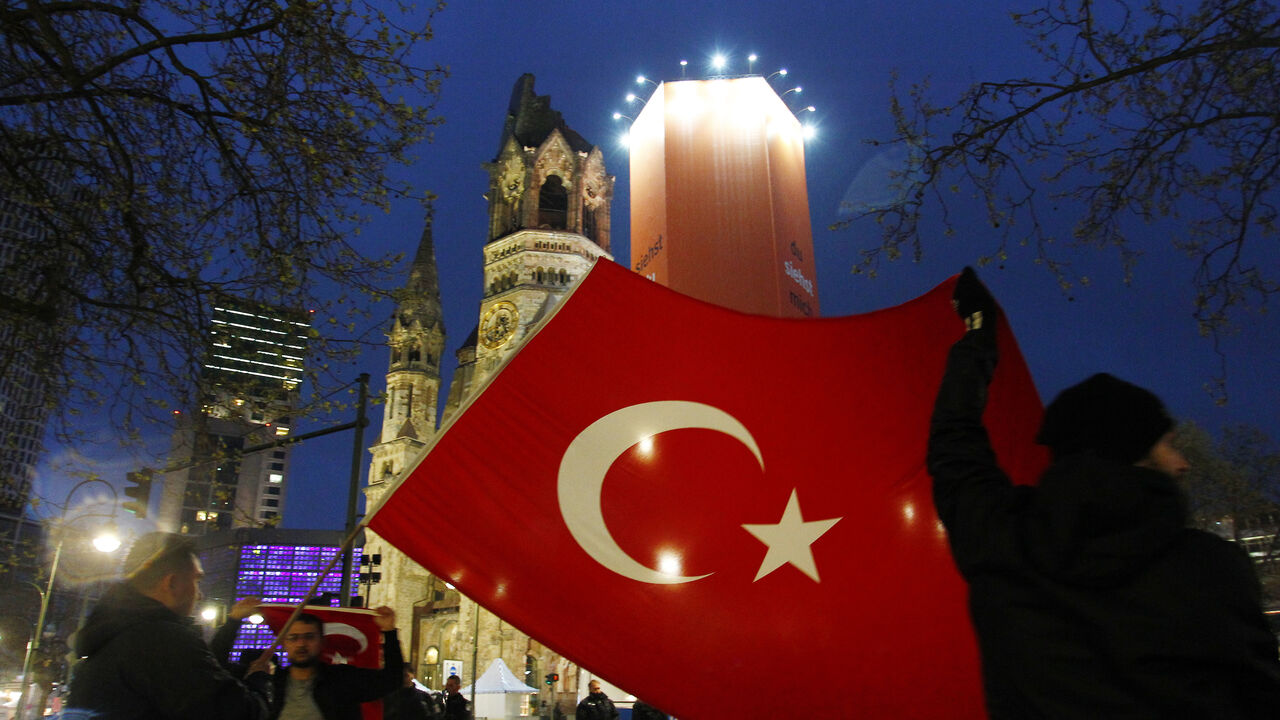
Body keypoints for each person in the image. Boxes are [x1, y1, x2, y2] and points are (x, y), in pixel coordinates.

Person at [927, 267, 1280, 717]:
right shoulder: (1211, 568)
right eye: (1169, 443)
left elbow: (955, 442)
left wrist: (978, 335)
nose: (1184, 462)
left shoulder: (1002, 541)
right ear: (1132, 449)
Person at [65, 532, 274, 719]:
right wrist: (260, 679)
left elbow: (203, 679)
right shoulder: (161, 641)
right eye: (196, 581)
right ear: (172, 583)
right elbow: (236, 712)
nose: (199, 594)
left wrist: (232, 622)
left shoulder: (113, 636)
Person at [270, 608, 404, 720]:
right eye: (293, 638)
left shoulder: (342, 680)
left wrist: (389, 631)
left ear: (322, 642)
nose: (301, 644)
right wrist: (247, 614)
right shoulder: (272, 685)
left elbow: (392, 679)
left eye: (309, 637)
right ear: (284, 643)